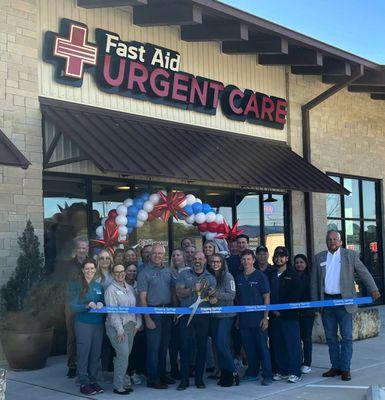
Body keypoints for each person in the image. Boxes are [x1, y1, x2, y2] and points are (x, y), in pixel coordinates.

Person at [311, 230, 380, 381]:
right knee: (330, 337)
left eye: (335, 239)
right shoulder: (319, 258)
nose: (332, 242)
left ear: (341, 241)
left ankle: (345, 369)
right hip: (327, 303)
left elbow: (364, 272)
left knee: (347, 337)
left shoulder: (350, 256)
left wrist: (373, 289)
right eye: (329, 239)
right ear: (326, 241)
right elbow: (314, 282)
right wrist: (316, 304)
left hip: (345, 303)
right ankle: (335, 366)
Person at [175, 251, 216, 390]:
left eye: (200, 258)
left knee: (202, 347)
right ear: (192, 260)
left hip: (203, 316)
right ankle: (184, 380)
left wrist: (213, 296)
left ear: (205, 260)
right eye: (195, 258)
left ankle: (199, 379)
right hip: (186, 315)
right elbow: (179, 293)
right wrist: (193, 289)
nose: (197, 260)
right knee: (185, 347)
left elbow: (212, 298)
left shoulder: (210, 277)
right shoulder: (183, 275)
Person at [137, 244, 175, 389]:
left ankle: (161, 374)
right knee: (153, 347)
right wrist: (147, 318)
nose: (157, 256)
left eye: (160, 253)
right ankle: (152, 378)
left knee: (163, 346)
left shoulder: (168, 270)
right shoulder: (144, 273)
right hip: (153, 313)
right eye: (155, 253)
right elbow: (142, 298)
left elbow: (173, 289)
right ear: (150, 254)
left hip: (167, 312)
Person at [235, 249, 272, 386]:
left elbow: (266, 297)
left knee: (262, 347)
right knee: (249, 348)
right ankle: (252, 372)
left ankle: (267, 375)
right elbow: (238, 300)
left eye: (248, 259)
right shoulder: (238, 278)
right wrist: (238, 318)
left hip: (258, 319)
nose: (246, 262)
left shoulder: (260, 276)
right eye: (243, 259)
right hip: (244, 320)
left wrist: (265, 318)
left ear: (253, 260)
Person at [68, 258, 104, 395]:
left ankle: (93, 381)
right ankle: (83, 382)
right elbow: (72, 306)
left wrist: (101, 304)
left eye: (92, 269)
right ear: (83, 270)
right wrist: (86, 306)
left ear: (95, 270)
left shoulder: (98, 286)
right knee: (84, 353)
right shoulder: (75, 285)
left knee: (95, 353)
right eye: (87, 268)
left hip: (97, 324)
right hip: (83, 323)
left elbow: (102, 301)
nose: (90, 271)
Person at [105, 264, 142, 395]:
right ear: (113, 274)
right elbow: (112, 312)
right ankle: (118, 386)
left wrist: (137, 324)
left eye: (122, 271)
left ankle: (120, 381)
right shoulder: (110, 290)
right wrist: (119, 330)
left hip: (130, 326)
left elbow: (136, 308)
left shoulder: (130, 288)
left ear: (125, 273)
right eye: (116, 272)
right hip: (116, 327)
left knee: (125, 355)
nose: (120, 274)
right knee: (123, 354)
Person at [269, 246, 302, 383]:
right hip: (274, 317)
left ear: (287, 258)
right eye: (276, 255)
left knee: (292, 345)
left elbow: (295, 296)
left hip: (290, 317)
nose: (279, 258)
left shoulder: (293, 274)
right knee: (277, 344)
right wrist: (272, 310)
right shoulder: (271, 274)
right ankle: (281, 370)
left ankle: (295, 372)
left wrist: (281, 311)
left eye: (282, 256)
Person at [208, 253, 239, 387]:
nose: (215, 264)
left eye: (218, 262)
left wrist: (217, 295)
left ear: (222, 263)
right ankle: (225, 374)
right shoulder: (211, 277)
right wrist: (210, 298)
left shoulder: (228, 276)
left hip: (226, 316)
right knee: (218, 346)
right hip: (214, 316)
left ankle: (233, 372)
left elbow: (232, 295)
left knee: (222, 344)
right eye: (213, 262)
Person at [65, 236, 89, 379]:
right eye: (79, 248)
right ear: (76, 249)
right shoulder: (69, 266)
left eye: (84, 248)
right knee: (72, 336)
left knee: (87, 335)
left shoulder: (91, 263)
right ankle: (72, 365)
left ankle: (86, 364)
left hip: (89, 303)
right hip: (72, 304)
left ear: (87, 249)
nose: (81, 250)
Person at [169, 248, 189, 380]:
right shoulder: (169, 272)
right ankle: (174, 368)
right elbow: (173, 294)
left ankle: (186, 368)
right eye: (174, 255)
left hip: (188, 309)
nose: (176, 257)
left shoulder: (190, 271)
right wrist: (175, 311)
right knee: (174, 342)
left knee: (186, 342)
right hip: (175, 309)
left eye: (179, 255)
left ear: (184, 257)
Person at [95, 250, 114, 381]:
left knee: (114, 341)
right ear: (98, 260)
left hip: (115, 313)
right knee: (104, 342)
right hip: (100, 315)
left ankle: (113, 369)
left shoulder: (115, 274)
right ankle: (105, 369)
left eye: (107, 258)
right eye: (102, 258)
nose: (105, 260)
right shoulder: (94, 276)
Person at [294, 254, 315, 374]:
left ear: (306, 264)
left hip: (308, 313)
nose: (299, 265)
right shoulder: (292, 276)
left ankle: (307, 363)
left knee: (306, 338)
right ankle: (299, 361)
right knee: (297, 339)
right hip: (295, 312)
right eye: (297, 262)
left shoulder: (310, 277)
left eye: (301, 262)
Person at [126, 263, 146, 385]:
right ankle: (126, 374)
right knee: (125, 351)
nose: (132, 273)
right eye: (129, 270)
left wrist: (139, 324)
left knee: (136, 350)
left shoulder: (139, 285)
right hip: (124, 323)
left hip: (137, 322)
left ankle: (133, 372)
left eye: (134, 271)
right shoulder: (120, 286)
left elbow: (140, 305)